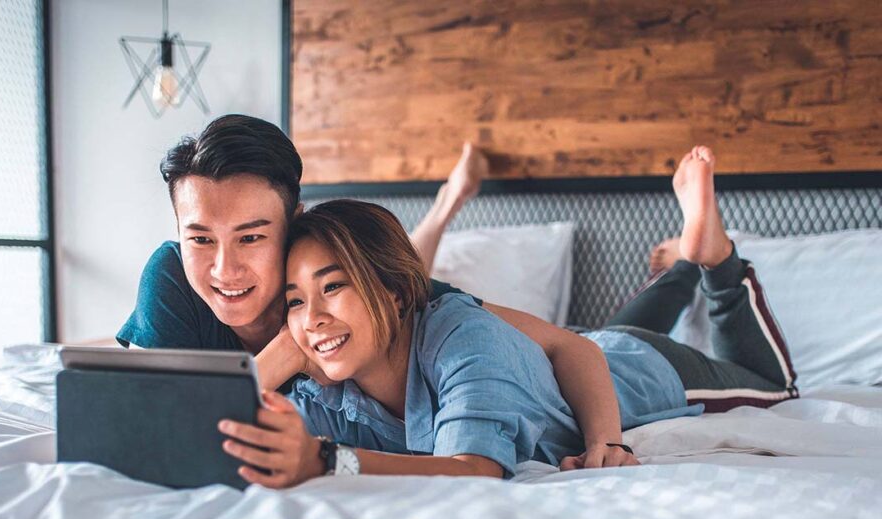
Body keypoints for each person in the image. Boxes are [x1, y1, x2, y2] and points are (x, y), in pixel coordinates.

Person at [216, 146, 799, 488]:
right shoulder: (331, 382)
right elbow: (219, 431)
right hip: (596, 341)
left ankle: (714, 260)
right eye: (294, 299)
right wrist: (284, 352)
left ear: (394, 292)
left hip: (643, 372)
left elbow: (475, 468)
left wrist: (325, 462)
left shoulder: (462, 338)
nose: (311, 316)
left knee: (774, 382)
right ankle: (680, 265)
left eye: (333, 287)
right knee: (620, 326)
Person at [117, 115, 625, 459]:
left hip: (620, 357)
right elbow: (155, 429)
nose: (224, 269)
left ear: (292, 225)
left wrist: (609, 442)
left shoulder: (390, 297)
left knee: (407, 278)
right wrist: (282, 355)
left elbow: (566, 344)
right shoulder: (174, 277)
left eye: (251, 237)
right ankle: (449, 200)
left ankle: (449, 203)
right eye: (201, 238)